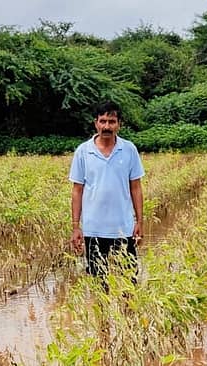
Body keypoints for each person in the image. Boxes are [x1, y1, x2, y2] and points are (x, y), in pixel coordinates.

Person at [69, 101, 144, 287]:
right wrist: (76, 226)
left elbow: (136, 187)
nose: (107, 127)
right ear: (95, 123)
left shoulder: (129, 150)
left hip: (123, 229)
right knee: (98, 285)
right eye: (103, 121)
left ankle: (127, 315)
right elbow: (77, 190)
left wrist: (140, 222)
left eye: (112, 121)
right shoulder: (83, 152)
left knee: (129, 283)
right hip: (94, 230)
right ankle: (102, 317)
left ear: (119, 124)